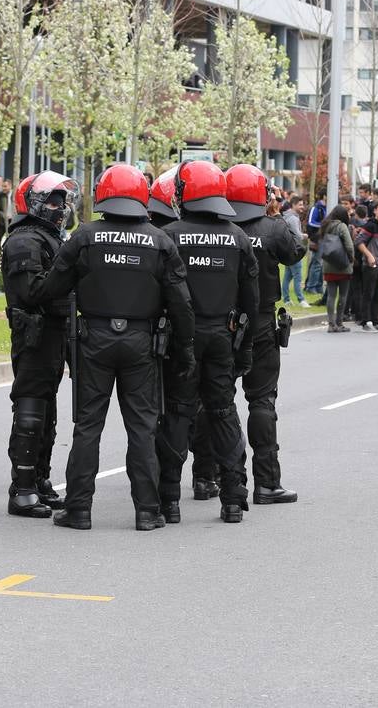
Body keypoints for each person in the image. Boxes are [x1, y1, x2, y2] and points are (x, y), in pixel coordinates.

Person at [29, 164, 195, 531]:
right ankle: (148, 511)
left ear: (104, 193)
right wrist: (185, 349)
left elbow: (53, 286)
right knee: (142, 428)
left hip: (93, 339)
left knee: (88, 426)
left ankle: (79, 509)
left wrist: (33, 292)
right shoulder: (159, 241)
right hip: (141, 343)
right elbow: (181, 304)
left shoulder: (84, 236)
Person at [153, 160, 258, 524]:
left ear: (184, 194)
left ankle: (168, 500)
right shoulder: (238, 237)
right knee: (224, 413)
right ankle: (232, 498)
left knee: (178, 414)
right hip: (223, 336)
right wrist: (244, 348)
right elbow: (251, 300)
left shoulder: (171, 235)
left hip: (183, 338)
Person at [2, 171, 79, 518]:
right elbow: (32, 292)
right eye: (52, 200)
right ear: (32, 203)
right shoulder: (24, 241)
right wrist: (67, 270)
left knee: (47, 413)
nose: (59, 208)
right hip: (34, 335)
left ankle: (40, 480)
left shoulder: (48, 237)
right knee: (31, 411)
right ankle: (22, 488)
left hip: (54, 333)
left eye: (62, 201)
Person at [227, 164, 305, 505]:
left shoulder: (218, 228)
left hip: (222, 323)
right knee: (261, 401)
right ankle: (267, 483)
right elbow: (296, 252)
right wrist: (283, 216)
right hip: (259, 323)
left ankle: (222, 478)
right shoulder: (273, 228)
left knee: (218, 403)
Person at [354, 201, 378, 331]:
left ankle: (376, 321)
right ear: (375, 211)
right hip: (371, 265)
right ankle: (365, 321)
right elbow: (359, 242)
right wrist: (369, 255)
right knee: (368, 293)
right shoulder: (370, 225)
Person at [320, 205, 356, 332]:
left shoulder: (325, 226)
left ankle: (331, 324)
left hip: (329, 265)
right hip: (343, 265)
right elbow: (349, 245)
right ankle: (339, 323)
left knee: (331, 295)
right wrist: (351, 259)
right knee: (343, 295)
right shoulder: (342, 226)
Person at [280, 194, 309, 307]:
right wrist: (305, 235)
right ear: (293, 205)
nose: (302, 207)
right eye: (300, 205)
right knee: (298, 276)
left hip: (289, 250)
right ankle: (301, 300)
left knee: (287, 276)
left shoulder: (288, 216)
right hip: (295, 251)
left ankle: (287, 300)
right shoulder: (293, 218)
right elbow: (297, 235)